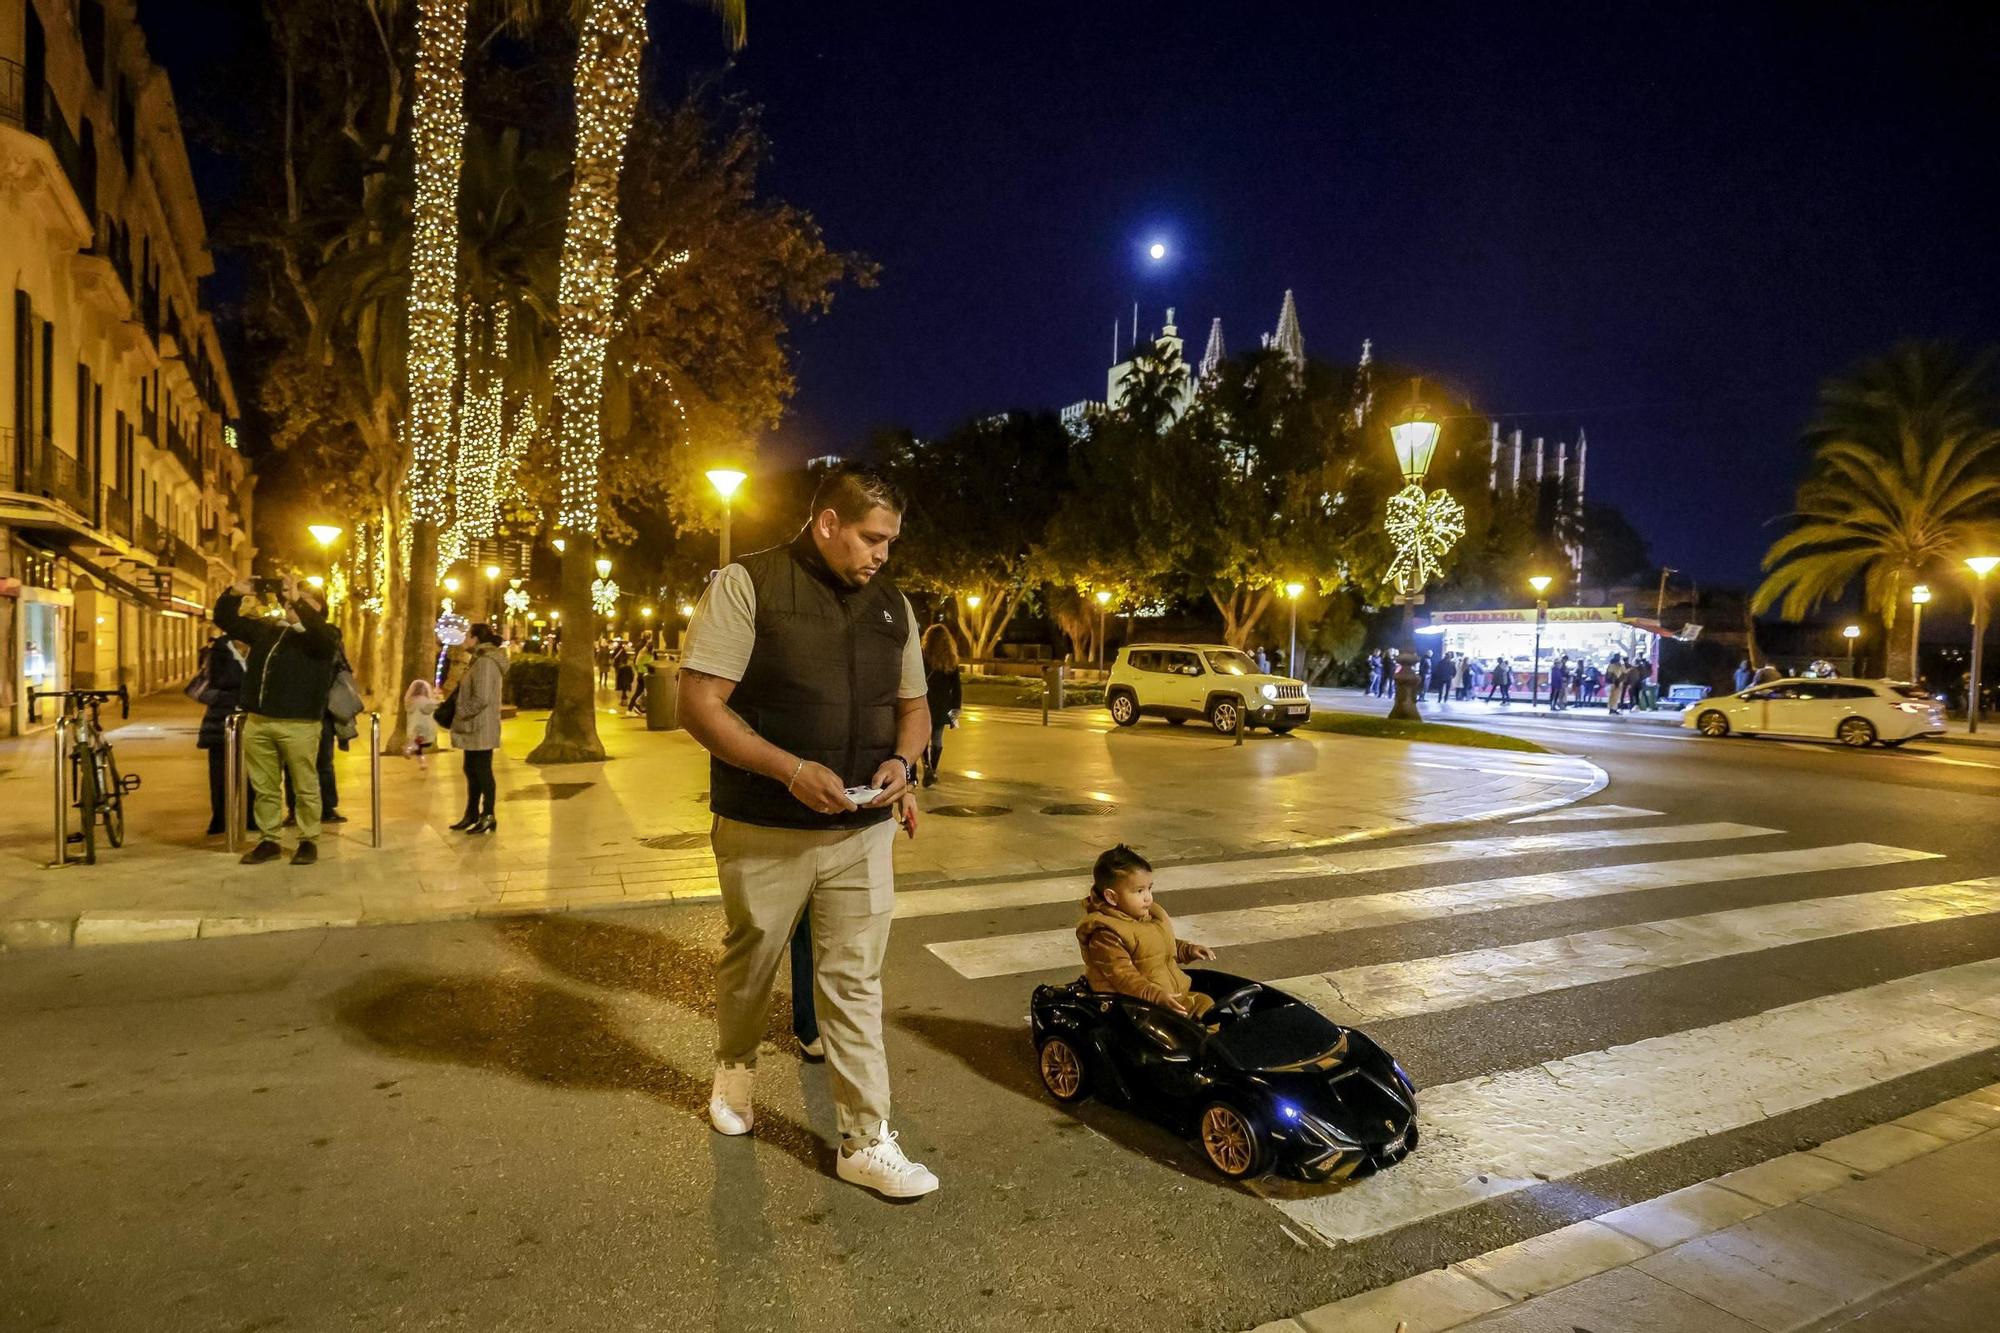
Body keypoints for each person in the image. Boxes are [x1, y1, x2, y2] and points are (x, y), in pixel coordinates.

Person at [677, 468, 937, 1200]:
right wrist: (790, 770)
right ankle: (735, 1070)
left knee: (854, 981)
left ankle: (866, 1139)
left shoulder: (893, 605)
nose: (883, 554)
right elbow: (699, 703)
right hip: (764, 826)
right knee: (752, 960)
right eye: (871, 537)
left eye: (891, 540)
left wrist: (902, 762)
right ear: (826, 522)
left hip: (863, 827)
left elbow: (913, 708)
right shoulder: (748, 583)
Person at [212, 577, 339, 866]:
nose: (292, 604)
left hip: (299, 724)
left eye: (303, 600)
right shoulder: (268, 631)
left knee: (305, 786)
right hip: (258, 720)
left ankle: (308, 840)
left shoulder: (326, 635)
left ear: (318, 607)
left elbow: (318, 635)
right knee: (264, 786)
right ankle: (269, 839)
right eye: (291, 599)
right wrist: (233, 594)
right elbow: (225, 619)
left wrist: (298, 605)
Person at [1076, 845, 1218, 1017]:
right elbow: (1124, 977)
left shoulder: (1145, 916)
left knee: (1207, 1005)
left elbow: (1160, 946)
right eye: (1139, 891)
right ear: (1112, 897)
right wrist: (1155, 996)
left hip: (1169, 996)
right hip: (1135, 1007)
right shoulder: (1105, 933)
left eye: (1149, 888)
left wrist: (1187, 950)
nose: (1148, 897)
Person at [449, 624, 506, 834]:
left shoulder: (484, 663)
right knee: (471, 770)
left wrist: (460, 711)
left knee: (482, 771)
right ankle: (471, 814)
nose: (464, 639)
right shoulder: (478, 661)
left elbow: (481, 697)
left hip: (480, 725)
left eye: (467, 635)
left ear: (475, 639)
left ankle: (488, 815)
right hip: (474, 725)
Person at [195, 631, 249, 836]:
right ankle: (220, 817)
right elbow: (216, 680)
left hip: (252, 718)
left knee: (253, 770)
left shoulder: (260, 645)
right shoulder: (218, 650)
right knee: (220, 772)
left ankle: (252, 816)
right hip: (221, 720)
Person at [920, 624, 962, 787]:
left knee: (923, 738)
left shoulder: (923, 657)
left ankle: (926, 766)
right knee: (937, 739)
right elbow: (957, 688)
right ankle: (933, 770)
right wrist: (955, 714)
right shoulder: (951, 660)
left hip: (924, 703)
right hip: (942, 706)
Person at [404, 678, 440, 770]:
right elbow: (430, 708)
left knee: (419, 747)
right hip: (423, 726)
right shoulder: (424, 700)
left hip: (413, 726)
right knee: (424, 744)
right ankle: (409, 748)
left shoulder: (410, 701)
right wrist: (437, 699)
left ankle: (422, 762)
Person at [629, 636, 656, 715]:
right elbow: (650, 664)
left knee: (640, 692)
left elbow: (637, 663)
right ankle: (637, 706)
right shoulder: (647, 654)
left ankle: (636, 707)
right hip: (645, 675)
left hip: (641, 674)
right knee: (646, 692)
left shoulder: (642, 652)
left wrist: (639, 671)